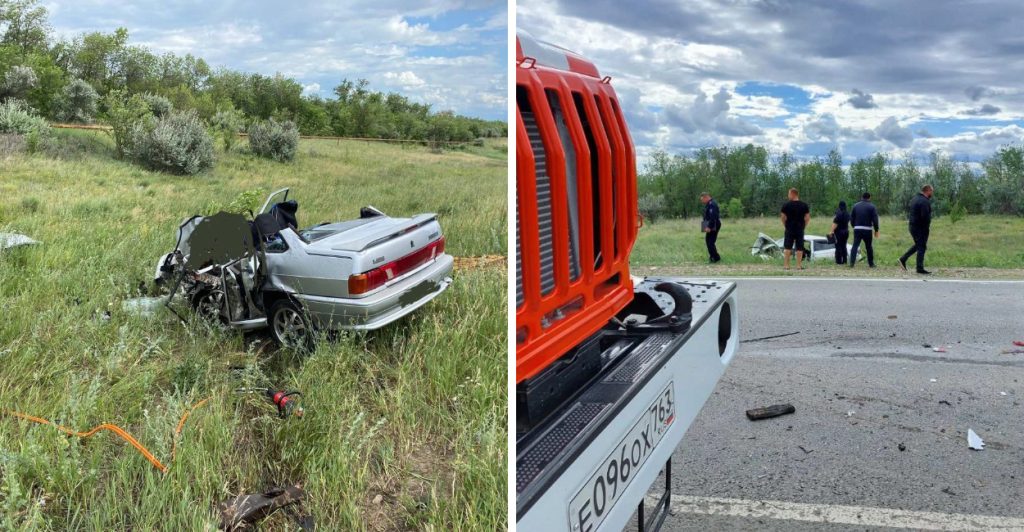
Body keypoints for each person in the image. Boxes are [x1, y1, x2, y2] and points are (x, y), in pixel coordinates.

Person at [899, 184, 933, 274]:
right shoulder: (924, 201)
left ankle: (903, 259)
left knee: (919, 245)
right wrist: (927, 227)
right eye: (931, 191)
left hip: (913, 226)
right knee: (921, 247)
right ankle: (919, 268)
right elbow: (925, 216)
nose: (932, 193)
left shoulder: (915, 199)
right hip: (920, 227)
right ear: (928, 190)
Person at [779, 188, 810, 270]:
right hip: (800, 229)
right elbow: (807, 217)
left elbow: (782, 217)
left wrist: (785, 225)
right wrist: (804, 226)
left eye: (789, 194)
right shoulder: (804, 205)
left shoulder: (786, 205)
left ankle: (786, 265)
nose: (788, 196)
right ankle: (798, 266)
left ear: (793, 194)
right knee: (800, 247)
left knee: (787, 247)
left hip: (789, 228)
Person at [848, 192, 879, 268]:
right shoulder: (872, 207)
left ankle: (852, 263)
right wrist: (876, 229)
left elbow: (851, 218)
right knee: (868, 247)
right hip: (867, 229)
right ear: (869, 197)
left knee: (855, 245)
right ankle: (871, 264)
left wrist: (854, 225)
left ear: (862, 197)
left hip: (857, 229)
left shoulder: (855, 206)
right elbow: (875, 219)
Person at [700, 192, 721, 263]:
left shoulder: (712, 204)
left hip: (713, 224)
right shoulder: (708, 204)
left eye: (702, 199)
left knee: (710, 242)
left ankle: (715, 258)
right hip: (710, 224)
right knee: (708, 241)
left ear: (706, 197)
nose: (702, 201)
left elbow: (713, 217)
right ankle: (713, 257)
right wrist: (705, 225)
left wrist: (709, 227)